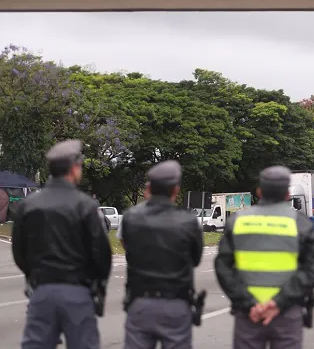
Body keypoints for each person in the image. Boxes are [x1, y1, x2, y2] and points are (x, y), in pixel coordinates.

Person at [12, 139, 112, 349]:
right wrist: (95, 282)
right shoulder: (86, 206)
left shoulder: (28, 206)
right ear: (74, 168)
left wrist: (36, 273)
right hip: (77, 291)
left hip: (41, 291)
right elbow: (102, 255)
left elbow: (19, 252)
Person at [215, 166, 314, 349]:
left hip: (249, 314)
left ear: (259, 191)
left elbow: (223, 267)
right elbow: (313, 269)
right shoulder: (300, 223)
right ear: (287, 194)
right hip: (287, 312)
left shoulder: (238, 221)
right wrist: (278, 303)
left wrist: (250, 304)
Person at [120, 160, 204, 348]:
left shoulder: (130, 218)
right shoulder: (189, 222)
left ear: (149, 188)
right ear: (176, 190)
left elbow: (128, 247)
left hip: (140, 301)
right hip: (175, 303)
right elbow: (195, 259)